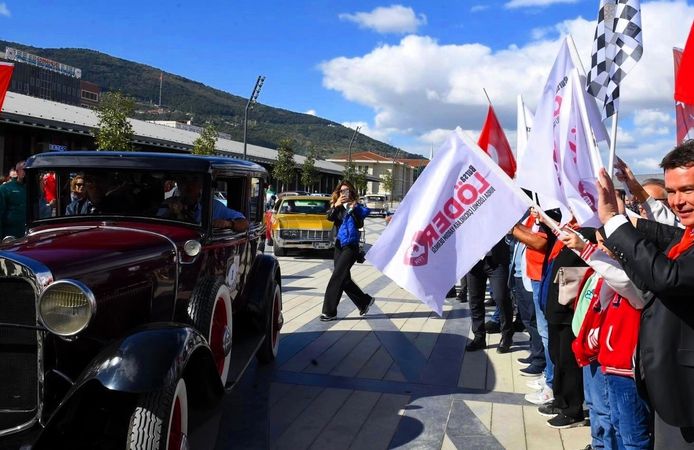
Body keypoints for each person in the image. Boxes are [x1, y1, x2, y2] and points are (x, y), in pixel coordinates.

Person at [598, 140, 694, 448]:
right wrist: (623, 224)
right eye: (672, 192)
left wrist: (614, 221)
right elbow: (670, 239)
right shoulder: (687, 234)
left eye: (688, 190)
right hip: (672, 388)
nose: (677, 202)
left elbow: (667, 276)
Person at [320, 180, 373, 321]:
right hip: (339, 245)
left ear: (351, 193)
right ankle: (364, 301)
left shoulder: (356, 207)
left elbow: (359, 223)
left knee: (337, 276)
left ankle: (329, 312)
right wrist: (337, 205)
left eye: (347, 191)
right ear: (338, 193)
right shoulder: (335, 206)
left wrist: (354, 208)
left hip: (351, 246)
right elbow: (330, 218)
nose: (344, 193)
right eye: (342, 191)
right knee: (344, 278)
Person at [465, 238, 514, 353]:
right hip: (474, 261)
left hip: (497, 260)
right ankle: (479, 337)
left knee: (501, 298)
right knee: (474, 300)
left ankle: (507, 336)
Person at [158, 175, 248, 232]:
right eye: (184, 181)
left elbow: (244, 223)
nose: (189, 186)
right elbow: (157, 225)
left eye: (194, 181)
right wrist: (171, 212)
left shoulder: (214, 206)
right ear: (180, 184)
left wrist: (228, 223)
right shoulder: (169, 203)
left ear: (200, 185)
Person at [0, 161, 27, 239]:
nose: (25, 172)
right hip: (10, 233)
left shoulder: (32, 189)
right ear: (17, 171)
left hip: (28, 232)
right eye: (23, 169)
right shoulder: (5, 188)